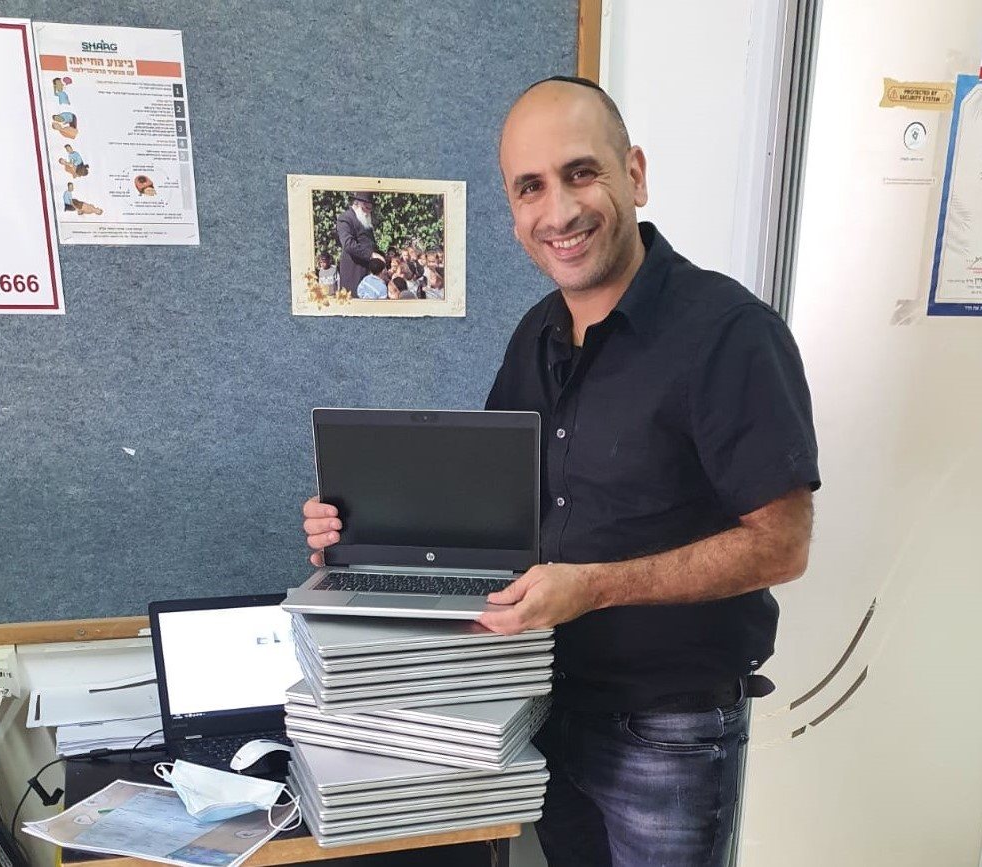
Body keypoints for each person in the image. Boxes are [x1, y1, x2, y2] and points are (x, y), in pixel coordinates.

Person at [303, 75, 819, 866]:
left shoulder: (730, 333)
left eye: (582, 173)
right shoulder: (537, 333)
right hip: (539, 700)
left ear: (634, 174)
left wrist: (594, 585)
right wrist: (355, 531)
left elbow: (781, 544)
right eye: (531, 187)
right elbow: (488, 506)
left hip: (667, 728)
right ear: (514, 213)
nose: (560, 211)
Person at [336, 192, 384, 298]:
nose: (368, 212)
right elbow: (348, 244)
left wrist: (382, 257)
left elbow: (370, 244)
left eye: (370, 209)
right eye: (366, 208)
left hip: (368, 273)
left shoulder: (364, 220)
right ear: (357, 204)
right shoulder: (345, 218)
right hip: (354, 272)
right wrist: (371, 255)